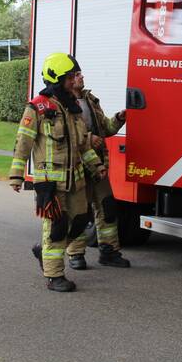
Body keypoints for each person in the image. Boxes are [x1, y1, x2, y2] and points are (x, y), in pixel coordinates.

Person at [9, 53, 106, 292]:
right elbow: (23, 143)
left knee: (82, 221)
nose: (75, 81)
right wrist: (16, 175)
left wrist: (97, 166)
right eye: (71, 77)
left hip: (76, 182)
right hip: (51, 184)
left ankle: (45, 251)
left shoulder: (73, 108)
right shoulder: (38, 108)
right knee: (56, 228)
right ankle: (54, 276)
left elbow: (82, 145)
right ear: (58, 79)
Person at [64, 70, 130, 270]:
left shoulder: (90, 100)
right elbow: (66, 134)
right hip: (77, 167)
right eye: (76, 75)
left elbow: (105, 129)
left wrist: (119, 119)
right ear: (67, 79)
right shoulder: (62, 103)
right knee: (80, 212)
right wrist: (89, 138)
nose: (81, 77)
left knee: (107, 207)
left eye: (80, 74)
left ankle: (109, 252)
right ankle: (76, 253)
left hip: (98, 165)